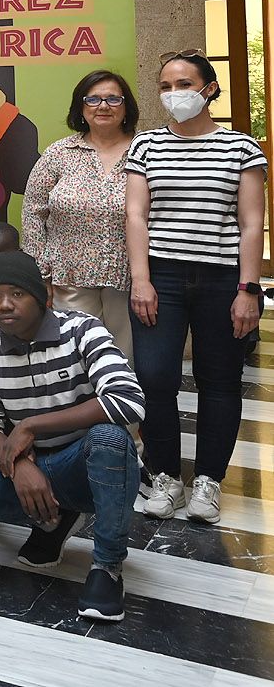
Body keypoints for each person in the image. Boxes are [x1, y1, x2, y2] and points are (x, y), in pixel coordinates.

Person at [0, 250, 145, 623]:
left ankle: (107, 566)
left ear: (43, 295)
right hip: (32, 462)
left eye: (17, 294)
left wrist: (31, 426)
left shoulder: (82, 329)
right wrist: (18, 466)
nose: (4, 305)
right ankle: (54, 517)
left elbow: (128, 401)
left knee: (110, 439)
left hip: (85, 462)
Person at [127, 49, 266, 525]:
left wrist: (250, 288)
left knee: (220, 381)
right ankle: (165, 477)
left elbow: (251, 224)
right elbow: (137, 216)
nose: (174, 95)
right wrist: (141, 279)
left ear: (208, 89)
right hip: (159, 277)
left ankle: (208, 481)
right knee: (155, 378)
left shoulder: (241, 148)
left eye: (184, 84)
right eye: (165, 86)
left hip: (223, 279)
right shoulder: (145, 146)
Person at [21, 70, 138, 359]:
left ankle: (120, 405)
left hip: (130, 278)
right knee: (76, 355)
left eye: (113, 99)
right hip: (69, 277)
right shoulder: (60, 153)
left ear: (126, 107)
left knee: (124, 359)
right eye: (93, 99)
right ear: (81, 107)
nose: (103, 106)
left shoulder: (144, 150)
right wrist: (40, 274)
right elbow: (33, 211)